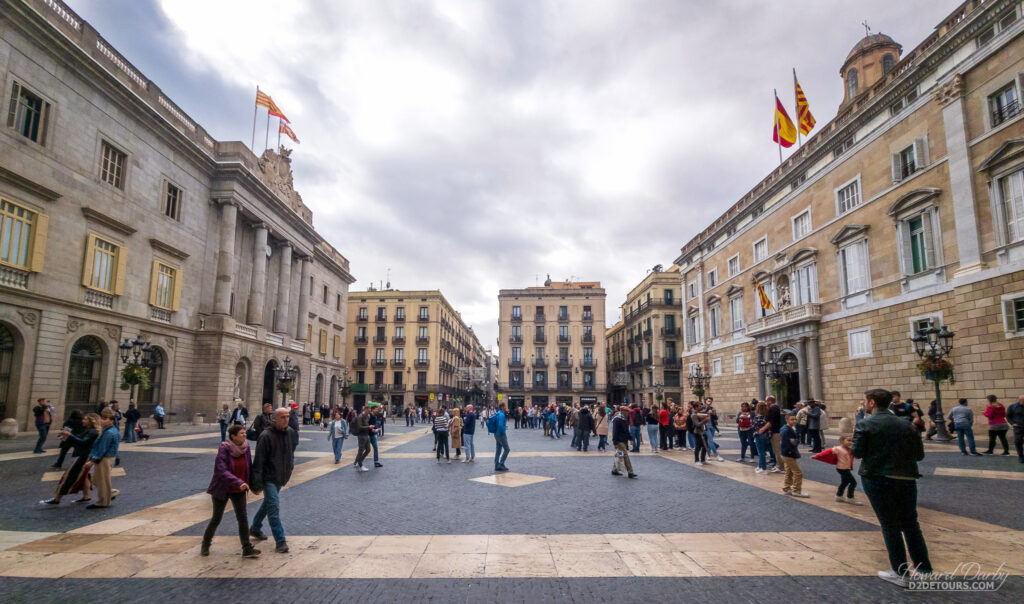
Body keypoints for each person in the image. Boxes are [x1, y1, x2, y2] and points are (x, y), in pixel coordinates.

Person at [853, 389, 933, 587]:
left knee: (890, 525)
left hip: (877, 477)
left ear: (871, 403)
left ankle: (901, 572)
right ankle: (924, 570)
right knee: (911, 523)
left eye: (865, 401)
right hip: (905, 477)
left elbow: (857, 452)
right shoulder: (907, 425)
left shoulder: (865, 423)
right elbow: (919, 455)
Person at [201, 425, 260, 558]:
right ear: (233, 436)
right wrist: (239, 482)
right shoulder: (224, 449)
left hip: (239, 489)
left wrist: (253, 486)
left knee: (243, 518)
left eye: (245, 433)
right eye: (242, 433)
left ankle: (246, 548)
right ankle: (205, 544)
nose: (245, 435)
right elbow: (222, 470)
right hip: (222, 487)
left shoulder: (246, 448)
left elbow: (248, 468)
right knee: (217, 518)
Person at [249, 408, 296, 553]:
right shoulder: (265, 436)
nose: (286, 419)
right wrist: (256, 483)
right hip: (269, 477)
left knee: (269, 503)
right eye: (282, 417)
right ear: (274, 418)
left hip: (281, 475)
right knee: (273, 507)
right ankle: (280, 540)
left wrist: (290, 467)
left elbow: (291, 452)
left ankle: (255, 527)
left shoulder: (290, 433)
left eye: (287, 416)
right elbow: (259, 461)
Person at [41, 413, 99, 505]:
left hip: (83, 457)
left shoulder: (92, 432)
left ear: (91, 421)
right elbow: (79, 439)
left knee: (69, 476)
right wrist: (68, 435)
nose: (82, 421)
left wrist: (69, 435)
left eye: (85, 419)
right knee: (85, 476)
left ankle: (57, 499)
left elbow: (83, 442)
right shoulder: (89, 430)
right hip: (84, 456)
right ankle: (86, 496)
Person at [812, 418, 863, 505]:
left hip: (845, 468)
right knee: (853, 482)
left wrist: (861, 458)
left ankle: (839, 496)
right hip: (842, 468)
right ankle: (850, 497)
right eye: (848, 440)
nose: (850, 442)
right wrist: (817, 456)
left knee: (845, 482)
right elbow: (826, 452)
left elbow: (855, 455)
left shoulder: (849, 450)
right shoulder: (837, 449)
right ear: (841, 441)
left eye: (851, 440)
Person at [86, 408, 120, 509]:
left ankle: (103, 502)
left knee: (101, 480)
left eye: (105, 418)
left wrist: (92, 460)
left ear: (111, 421)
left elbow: (102, 449)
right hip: (106, 457)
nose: (102, 420)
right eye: (102, 418)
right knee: (96, 479)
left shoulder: (109, 433)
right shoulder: (109, 430)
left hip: (104, 458)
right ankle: (109, 493)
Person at [780, 411, 809, 497]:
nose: (794, 421)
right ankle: (796, 490)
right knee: (798, 472)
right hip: (788, 454)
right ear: (787, 420)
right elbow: (789, 443)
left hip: (786, 453)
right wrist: (791, 452)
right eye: (792, 419)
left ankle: (787, 488)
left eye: (795, 419)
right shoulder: (786, 430)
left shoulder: (787, 428)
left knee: (789, 471)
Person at [611, 406, 637, 478]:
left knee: (619, 455)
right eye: (627, 412)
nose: (628, 413)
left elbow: (626, 430)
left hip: (624, 440)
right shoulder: (617, 419)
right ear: (622, 411)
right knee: (625, 455)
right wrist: (615, 442)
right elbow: (615, 432)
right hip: (619, 440)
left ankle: (614, 470)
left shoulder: (625, 419)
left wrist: (630, 439)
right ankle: (630, 472)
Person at [489, 402, 510, 472]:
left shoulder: (498, 413)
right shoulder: (501, 415)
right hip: (501, 434)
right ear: (502, 407)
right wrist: (503, 431)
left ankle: (496, 464)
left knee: (498, 449)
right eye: (505, 406)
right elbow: (500, 425)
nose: (506, 407)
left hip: (496, 433)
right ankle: (501, 464)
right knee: (507, 449)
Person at [752, 401, 771, 474]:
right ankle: (760, 466)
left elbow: (753, 426)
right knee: (763, 452)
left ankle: (763, 468)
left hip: (759, 435)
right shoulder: (766, 416)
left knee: (761, 452)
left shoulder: (758, 416)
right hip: (766, 435)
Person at [765, 396, 782, 471]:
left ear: (770, 401)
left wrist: (763, 429)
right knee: (775, 449)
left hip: (775, 431)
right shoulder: (775, 408)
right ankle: (778, 465)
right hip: (775, 430)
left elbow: (770, 421)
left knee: (777, 450)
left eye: (766, 401)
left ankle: (780, 466)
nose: (766, 403)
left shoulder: (773, 408)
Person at [354, 405, 373, 472]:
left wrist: (370, 428)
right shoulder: (360, 416)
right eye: (368, 410)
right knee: (361, 450)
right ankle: (360, 465)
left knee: (368, 449)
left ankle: (358, 462)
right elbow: (360, 427)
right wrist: (368, 427)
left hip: (366, 435)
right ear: (365, 410)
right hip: (361, 436)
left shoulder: (367, 416)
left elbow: (366, 425)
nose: (369, 412)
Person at [1008, 395, 1024, 464]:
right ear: (1020, 400)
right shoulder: (1013, 407)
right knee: (1018, 441)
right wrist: (1012, 423)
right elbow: (1008, 416)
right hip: (1018, 427)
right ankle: (1021, 456)